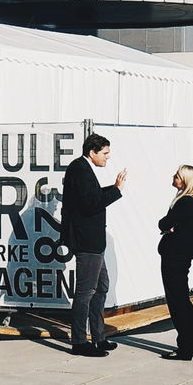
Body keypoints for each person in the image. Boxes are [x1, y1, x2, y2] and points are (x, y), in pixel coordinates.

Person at [60, 131, 127, 357]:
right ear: (93, 152)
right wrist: (116, 191)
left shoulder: (82, 168)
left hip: (93, 242)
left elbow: (93, 196)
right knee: (86, 291)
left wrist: (113, 188)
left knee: (101, 287)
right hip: (87, 241)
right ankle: (79, 342)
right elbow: (90, 205)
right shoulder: (80, 169)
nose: (108, 158)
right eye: (105, 153)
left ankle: (98, 337)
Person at [158, 164, 193, 360]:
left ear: (185, 181)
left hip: (175, 257)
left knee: (177, 302)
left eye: (177, 175)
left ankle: (185, 348)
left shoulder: (184, 202)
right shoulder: (192, 201)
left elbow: (164, 223)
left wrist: (168, 227)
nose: (173, 177)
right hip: (181, 256)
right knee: (183, 300)